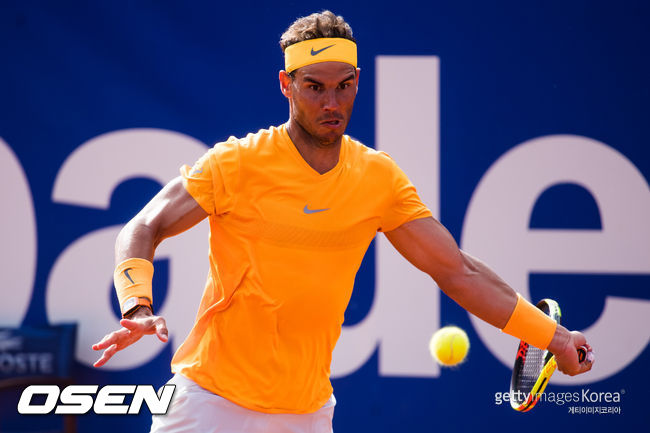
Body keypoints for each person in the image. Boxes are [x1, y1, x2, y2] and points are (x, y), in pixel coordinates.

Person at [92, 10, 593, 433]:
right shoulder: (236, 163)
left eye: (344, 86)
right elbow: (143, 227)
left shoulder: (378, 178)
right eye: (314, 87)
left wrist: (555, 338)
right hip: (207, 403)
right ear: (286, 85)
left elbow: (456, 270)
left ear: (357, 82)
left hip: (307, 413)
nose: (331, 104)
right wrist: (137, 304)